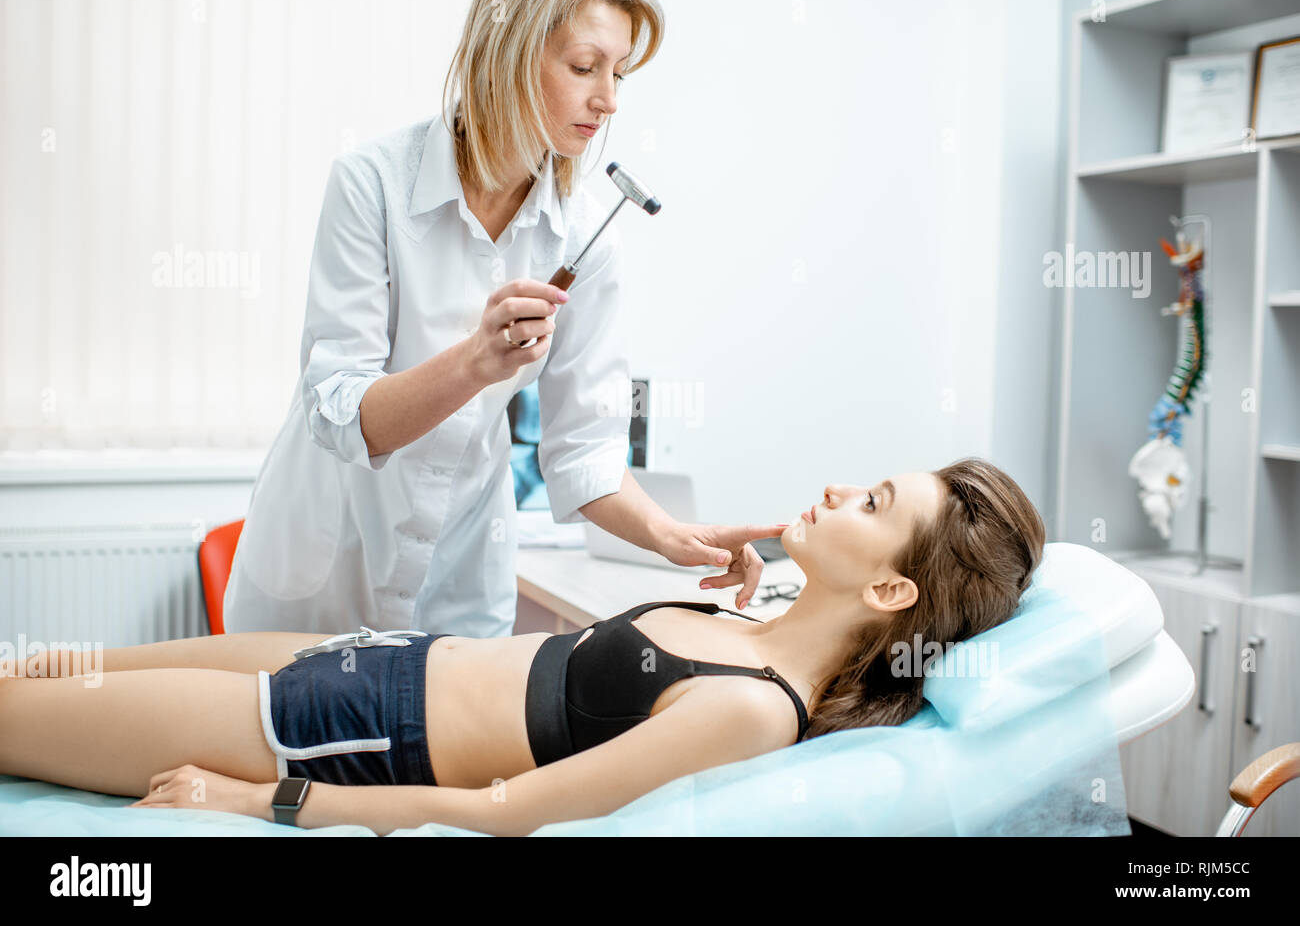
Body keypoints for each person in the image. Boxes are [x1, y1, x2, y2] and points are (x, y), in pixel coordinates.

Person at [1, 458, 1046, 837]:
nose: (834, 490)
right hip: (368, 652)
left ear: (891, 586)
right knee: (34, 667)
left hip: (344, 729)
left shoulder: (749, 704)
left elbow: (502, 815)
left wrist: (264, 802)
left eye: (870, 501)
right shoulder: (747, 630)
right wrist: (769, 582)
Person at [223, 0, 778, 640]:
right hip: (321, 578)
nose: (607, 101)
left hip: (457, 585)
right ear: (509, 50)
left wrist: (675, 534)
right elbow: (340, 410)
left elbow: (584, 454)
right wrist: (476, 363)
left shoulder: (583, 239)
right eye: (584, 66)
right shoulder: (372, 186)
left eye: (619, 74)